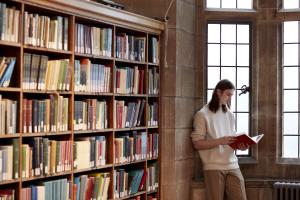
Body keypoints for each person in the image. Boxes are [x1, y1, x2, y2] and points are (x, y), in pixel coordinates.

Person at [191, 79, 248, 200]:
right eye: (228, 94)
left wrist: (241, 145)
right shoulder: (202, 115)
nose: (229, 98)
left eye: (231, 95)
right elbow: (197, 144)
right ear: (218, 92)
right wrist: (219, 141)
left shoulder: (230, 114)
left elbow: (231, 139)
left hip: (232, 164)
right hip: (213, 166)